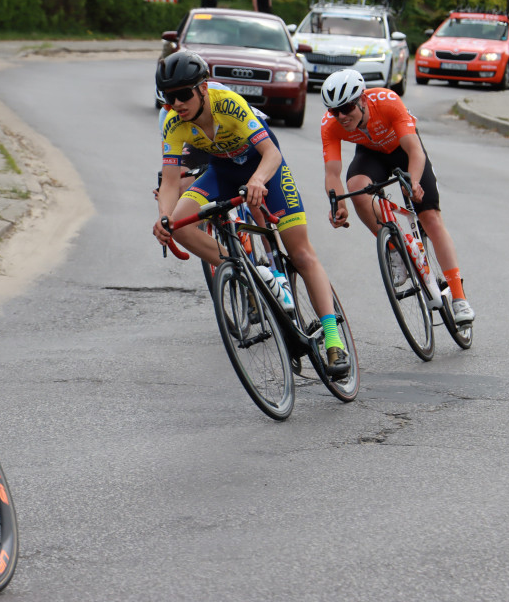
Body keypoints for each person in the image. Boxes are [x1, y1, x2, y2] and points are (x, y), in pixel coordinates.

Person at [153, 51, 348, 374]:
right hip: (224, 171)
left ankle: (333, 341)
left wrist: (258, 180)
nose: (177, 104)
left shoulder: (227, 103)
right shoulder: (174, 122)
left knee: (300, 253)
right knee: (180, 225)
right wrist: (164, 216)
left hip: (264, 166)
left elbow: (271, 152)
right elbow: (171, 181)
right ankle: (250, 273)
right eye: (170, 98)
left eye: (183, 95)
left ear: (202, 88)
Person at [319, 69, 475, 325]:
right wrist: (338, 203)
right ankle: (395, 248)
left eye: (346, 108)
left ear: (362, 100)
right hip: (371, 154)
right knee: (356, 187)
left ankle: (458, 297)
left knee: (430, 219)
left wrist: (413, 182)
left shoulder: (387, 101)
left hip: (403, 149)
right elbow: (332, 172)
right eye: (335, 111)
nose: (342, 116)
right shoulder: (330, 125)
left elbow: (415, 150)